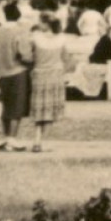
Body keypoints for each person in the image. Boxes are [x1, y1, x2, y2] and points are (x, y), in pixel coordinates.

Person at [27, 13, 74, 153]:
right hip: (55, 74)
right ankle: (43, 141)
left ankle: (36, 139)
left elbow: (29, 56)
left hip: (39, 74)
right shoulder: (62, 39)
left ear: (46, 24)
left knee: (39, 109)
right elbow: (67, 58)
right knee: (50, 109)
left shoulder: (35, 37)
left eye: (40, 22)